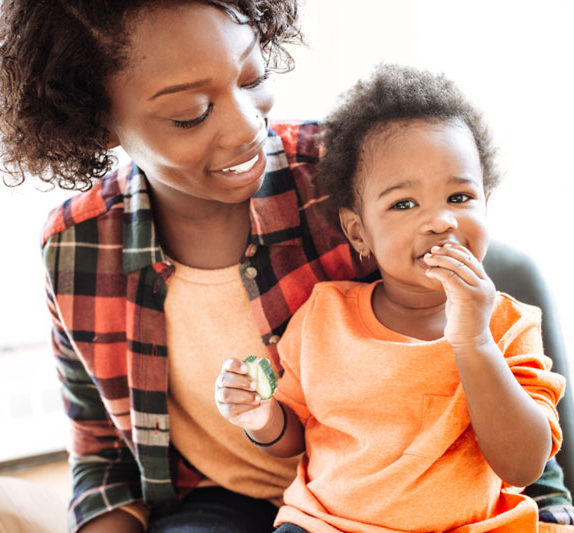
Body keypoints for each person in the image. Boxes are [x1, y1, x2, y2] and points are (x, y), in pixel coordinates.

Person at [0, 1, 571, 532]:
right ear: (96, 119)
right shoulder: (77, 244)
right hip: (223, 500)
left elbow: (485, 351)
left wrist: (547, 509)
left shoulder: (352, 176)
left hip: (410, 492)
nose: (248, 124)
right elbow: (101, 454)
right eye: (192, 114)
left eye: (252, 79)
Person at [215, 64, 568, 532]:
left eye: (460, 197)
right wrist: (260, 416)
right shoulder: (325, 315)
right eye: (404, 204)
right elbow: (293, 434)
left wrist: (474, 341)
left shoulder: (509, 325)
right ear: (358, 232)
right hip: (326, 524)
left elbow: (524, 467)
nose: (440, 221)